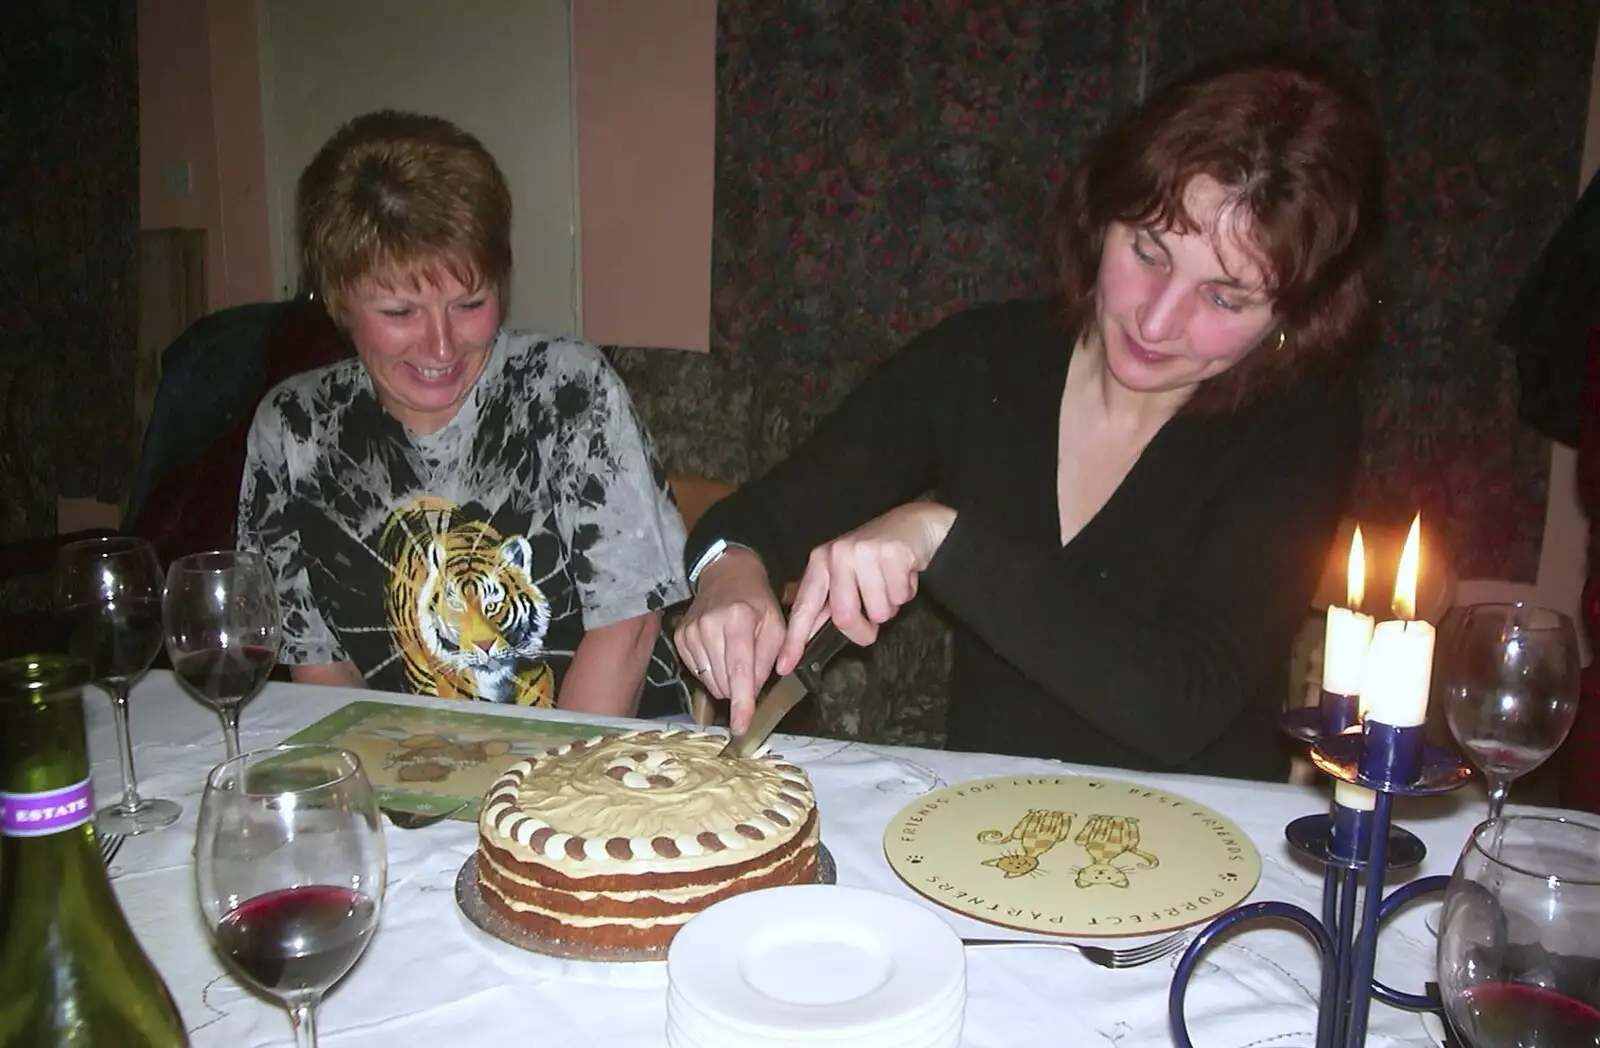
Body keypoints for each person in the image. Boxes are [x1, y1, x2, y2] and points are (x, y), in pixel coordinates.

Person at [675, 51, 1385, 780]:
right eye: (1147, 250)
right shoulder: (980, 361)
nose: (1157, 318)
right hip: (982, 834)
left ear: (1294, 319)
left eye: (1225, 298)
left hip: (1203, 844)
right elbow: (750, 521)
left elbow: (1177, 704)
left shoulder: (1300, 424)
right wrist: (729, 575)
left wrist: (939, 539)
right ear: (1102, 217)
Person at [238, 111, 690, 717]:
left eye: (470, 303)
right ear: (339, 300)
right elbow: (318, 667)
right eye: (400, 312)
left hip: (599, 759)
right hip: (408, 766)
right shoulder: (292, 430)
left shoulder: (565, 389)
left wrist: (535, 796)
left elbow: (628, 628)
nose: (442, 347)